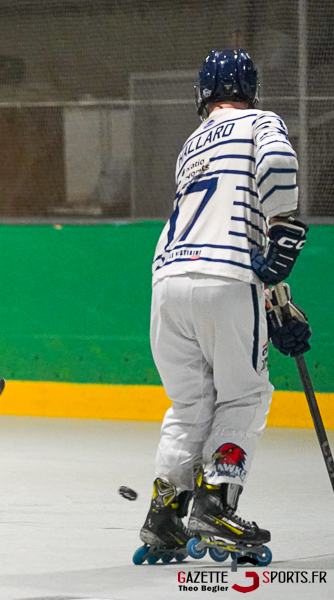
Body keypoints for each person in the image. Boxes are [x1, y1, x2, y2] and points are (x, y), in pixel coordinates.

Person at [134, 50, 312, 564]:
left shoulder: (191, 145)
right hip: (227, 279)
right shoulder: (261, 122)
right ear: (250, 91)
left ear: (202, 94)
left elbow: (216, 218)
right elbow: (277, 168)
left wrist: (275, 303)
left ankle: (165, 516)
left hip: (167, 282)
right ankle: (215, 504)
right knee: (245, 396)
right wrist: (282, 229)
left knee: (189, 405)